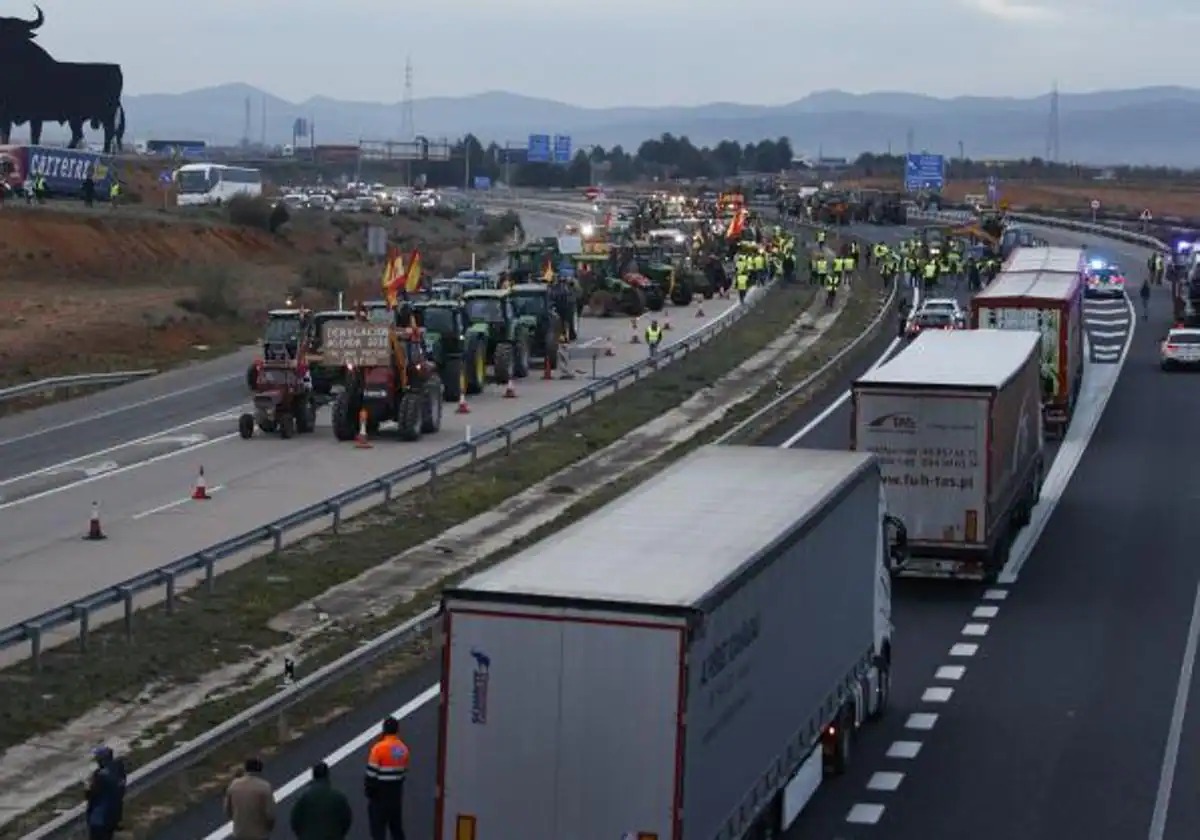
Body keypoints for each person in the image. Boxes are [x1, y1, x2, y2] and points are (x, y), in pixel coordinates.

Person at [364, 716, 410, 840]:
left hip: (379, 796)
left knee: (378, 832)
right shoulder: (403, 749)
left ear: (384, 729)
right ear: (397, 730)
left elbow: (371, 775)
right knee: (396, 829)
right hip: (395, 795)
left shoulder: (378, 748)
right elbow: (403, 773)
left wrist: (370, 794)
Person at [290, 762, 353, 840]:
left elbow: (295, 821)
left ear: (313, 776)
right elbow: (347, 819)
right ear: (327, 776)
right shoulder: (338, 797)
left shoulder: (303, 798)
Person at [225, 757, 276, 840]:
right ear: (260, 770)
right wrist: (269, 828)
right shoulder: (265, 787)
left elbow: (228, 810)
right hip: (259, 835)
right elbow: (270, 814)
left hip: (239, 833)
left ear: (245, 769)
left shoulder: (234, 785)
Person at [84, 746, 126, 840]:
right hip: (113, 817)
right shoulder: (118, 769)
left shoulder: (100, 776)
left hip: (99, 820)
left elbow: (90, 795)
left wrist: (87, 786)